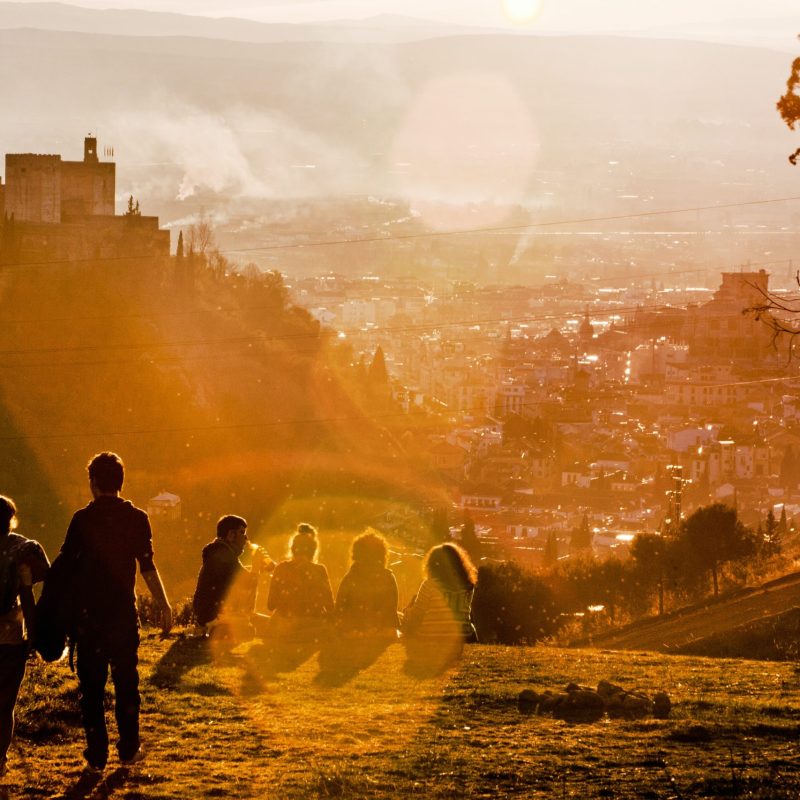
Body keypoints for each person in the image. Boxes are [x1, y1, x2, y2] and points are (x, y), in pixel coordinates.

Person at [59, 452, 172, 774]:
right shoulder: (136, 517)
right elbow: (147, 565)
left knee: (91, 688)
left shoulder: (82, 519)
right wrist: (163, 604)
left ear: (92, 483)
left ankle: (96, 755)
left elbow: (66, 566)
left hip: (89, 616)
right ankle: (129, 748)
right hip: (122, 614)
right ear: (121, 482)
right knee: (126, 683)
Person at [0, 496, 48, 776]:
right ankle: (0, 758)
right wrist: (33, 632)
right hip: (10, 637)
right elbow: (27, 595)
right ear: (11, 520)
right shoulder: (21, 550)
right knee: (4, 704)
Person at [192, 515, 274, 641]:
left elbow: (237, 574)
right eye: (242, 533)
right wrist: (256, 564)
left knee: (269, 624)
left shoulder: (221, 552)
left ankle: (217, 629)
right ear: (231, 535)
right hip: (217, 616)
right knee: (270, 627)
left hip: (211, 615)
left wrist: (258, 566)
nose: (246, 538)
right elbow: (249, 585)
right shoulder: (223, 554)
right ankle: (220, 630)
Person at [402, 542, 478, 670]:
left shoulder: (430, 584)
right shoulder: (468, 587)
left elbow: (417, 615)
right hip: (462, 640)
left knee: (406, 614)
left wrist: (407, 614)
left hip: (431, 638)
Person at [267, 523, 333, 642]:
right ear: (313, 550)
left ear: (292, 548)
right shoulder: (320, 570)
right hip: (313, 625)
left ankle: (292, 634)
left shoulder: (281, 568)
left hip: (285, 625)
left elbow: (270, 605)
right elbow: (330, 607)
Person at [335, 531, 398, 637]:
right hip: (382, 630)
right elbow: (392, 608)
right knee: (399, 617)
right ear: (382, 554)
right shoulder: (388, 577)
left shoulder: (350, 577)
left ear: (356, 554)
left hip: (353, 629)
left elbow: (339, 607)